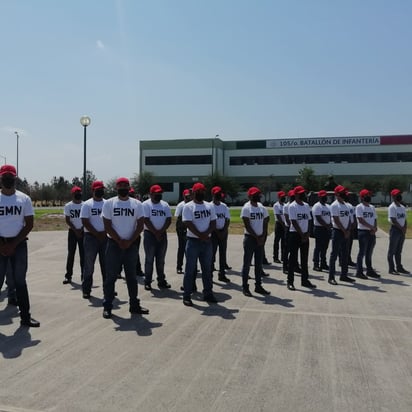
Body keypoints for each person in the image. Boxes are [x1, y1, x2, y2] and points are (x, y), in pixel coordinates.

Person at [101, 177, 149, 319]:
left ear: (129, 187)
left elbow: (140, 225)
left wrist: (129, 241)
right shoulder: (109, 203)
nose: (123, 187)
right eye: (120, 185)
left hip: (131, 245)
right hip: (113, 245)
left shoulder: (136, 204)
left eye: (125, 185)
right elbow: (107, 225)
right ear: (116, 188)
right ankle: (108, 306)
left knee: (131, 277)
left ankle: (134, 305)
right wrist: (119, 240)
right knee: (110, 277)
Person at [0, 164, 39, 327]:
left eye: (11, 177)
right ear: (1, 179)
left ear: (15, 178)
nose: (8, 179)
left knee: (20, 281)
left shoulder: (24, 199)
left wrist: (13, 244)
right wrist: (2, 245)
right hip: (0, 244)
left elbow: (29, 224)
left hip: (19, 245)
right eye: (5, 177)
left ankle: (25, 316)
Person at [182, 182, 217, 306]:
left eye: (202, 191)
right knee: (190, 270)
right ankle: (187, 295)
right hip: (193, 241)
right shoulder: (188, 207)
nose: (201, 193)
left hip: (207, 241)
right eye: (198, 192)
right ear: (194, 193)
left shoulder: (209, 206)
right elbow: (188, 223)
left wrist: (206, 234)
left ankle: (208, 293)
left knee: (207, 269)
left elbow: (213, 222)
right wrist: (200, 235)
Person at [240, 186, 270, 297]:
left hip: (260, 239)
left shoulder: (261, 208)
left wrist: (263, 236)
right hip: (250, 239)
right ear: (250, 196)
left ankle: (258, 285)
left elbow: (266, 220)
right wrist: (257, 237)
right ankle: (245, 286)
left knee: (258, 264)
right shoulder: (246, 208)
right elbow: (247, 225)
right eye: (255, 195)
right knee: (247, 263)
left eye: (258, 194)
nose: (258, 196)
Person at [142, 184, 172, 291]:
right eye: (156, 193)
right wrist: (156, 232)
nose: (159, 195)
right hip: (150, 235)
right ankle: (147, 281)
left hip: (162, 235)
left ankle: (161, 280)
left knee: (161, 260)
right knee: (149, 259)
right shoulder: (145, 205)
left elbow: (168, 219)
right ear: (151, 194)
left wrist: (161, 231)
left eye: (160, 193)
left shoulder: (165, 205)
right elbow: (146, 220)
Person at [80, 180, 107, 299]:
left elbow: (110, 220)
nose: (100, 191)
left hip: (105, 237)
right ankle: (86, 289)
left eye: (102, 189)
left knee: (106, 265)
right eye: (98, 189)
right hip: (91, 238)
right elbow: (85, 221)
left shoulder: (107, 204)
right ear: (93, 190)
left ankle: (108, 289)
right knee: (89, 265)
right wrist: (96, 233)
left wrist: (104, 233)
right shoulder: (87, 204)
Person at [287, 186, 316, 290]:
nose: (303, 195)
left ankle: (305, 280)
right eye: (301, 193)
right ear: (296, 195)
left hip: (305, 235)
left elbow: (309, 220)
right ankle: (290, 281)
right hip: (295, 234)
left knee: (304, 259)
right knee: (293, 259)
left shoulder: (306, 206)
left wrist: (307, 233)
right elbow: (293, 221)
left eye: (303, 193)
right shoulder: (292, 206)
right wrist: (302, 234)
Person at [328, 185, 355, 285]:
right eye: (342, 192)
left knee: (345, 254)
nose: (344, 194)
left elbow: (349, 219)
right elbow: (336, 220)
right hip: (337, 231)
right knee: (334, 254)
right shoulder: (334, 205)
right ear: (337, 194)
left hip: (346, 232)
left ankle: (344, 275)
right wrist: (344, 231)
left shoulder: (346, 205)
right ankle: (331, 277)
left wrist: (348, 230)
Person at [63, 186, 84, 284]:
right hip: (72, 232)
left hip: (83, 231)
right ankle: (68, 275)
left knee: (83, 255)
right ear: (72, 194)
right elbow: (67, 220)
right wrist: (76, 230)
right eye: (76, 193)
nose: (78, 194)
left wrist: (81, 229)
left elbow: (86, 219)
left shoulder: (85, 205)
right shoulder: (68, 206)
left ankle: (84, 276)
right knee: (71, 254)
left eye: (79, 193)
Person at [355, 189, 379, 279]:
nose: (368, 196)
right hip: (363, 232)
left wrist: (375, 228)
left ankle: (369, 270)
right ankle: (359, 271)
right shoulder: (359, 207)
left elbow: (375, 219)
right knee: (362, 252)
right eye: (366, 195)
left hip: (371, 232)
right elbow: (360, 220)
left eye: (369, 194)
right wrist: (371, 227)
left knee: (369, 252)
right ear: (362, 197)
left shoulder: (372, 207)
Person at [209, 186, 231, 283]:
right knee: (211, 255)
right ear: (213, 194)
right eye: (216, 194)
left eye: (219, 194)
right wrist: (218, 232)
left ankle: (222, 274)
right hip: (213, 233)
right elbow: (210, 221)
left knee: (223, 254)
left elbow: (227, 219)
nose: (218, 196)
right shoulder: (209, 206)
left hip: (223, 232)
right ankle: (209, 274)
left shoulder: (224, 206)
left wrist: (224, 230)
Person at [387, 188, 409, 275]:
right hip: (395, 230)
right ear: (393, 196)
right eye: (397, 195)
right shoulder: (392, 207)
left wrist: (405, 228)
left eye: (400, 194)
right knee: (392, 250)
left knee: (399, 250)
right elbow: (393, 219)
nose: (399, 196)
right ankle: (391, 268)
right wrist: (401, 228)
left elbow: (405, 219)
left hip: (401, 230)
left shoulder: (402, 207)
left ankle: (399, 267)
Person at [312, 190, 332, 272]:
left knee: (325, 247)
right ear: (319, 197)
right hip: (319, 228)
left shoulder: (328, 206)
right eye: (323, 196)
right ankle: (316, 264)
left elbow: (330, 217)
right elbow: (318, 218)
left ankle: (323, 263)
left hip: (326, 229)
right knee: (318, 247)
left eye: (325, 196)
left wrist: (329, 225)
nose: (325, 197)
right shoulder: (317, 206)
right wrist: (327, 225)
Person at [175, 189, 192, 274]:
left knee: (190, 249)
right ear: (183, 196)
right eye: (186, 196)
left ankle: (191, 266)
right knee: (182, 247)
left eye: (189, 196)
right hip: (181, 227)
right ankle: (179, 266)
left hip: (190, 227)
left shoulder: (192, 205)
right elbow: (178, 217)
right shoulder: (181, 205)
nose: (188, 198)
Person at [282, 189, 295, 274]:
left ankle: (295, 265)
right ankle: (285, 266)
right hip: (289, 228)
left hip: (294, 230)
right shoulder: (286, 206)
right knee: (286, 249)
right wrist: (292, 226)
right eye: (292, 196)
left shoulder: (295, 205)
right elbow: (287, 218)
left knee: (294, 249)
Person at [272, 191, 286, 264]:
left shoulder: (285, 205)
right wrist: (283, 225)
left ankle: (283, 257)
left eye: (284, 196)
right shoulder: (276, 205)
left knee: (284, 242)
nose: (283, 197)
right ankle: (275, 257)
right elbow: (278, 216)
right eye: (282, 196)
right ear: (278, 197)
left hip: (285, 224)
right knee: (277, 241)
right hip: (279, 224)